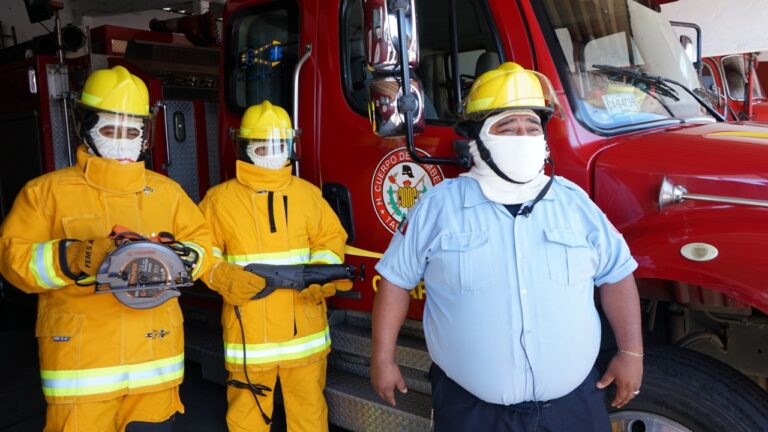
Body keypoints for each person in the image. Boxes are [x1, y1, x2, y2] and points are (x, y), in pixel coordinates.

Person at [370, 62, 643, 431]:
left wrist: (631, 352)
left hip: (572, 408)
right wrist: (382, 358)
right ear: (478, 140)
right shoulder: (438, 207)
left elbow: (617, 274)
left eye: (532, 128)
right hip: (472, 411)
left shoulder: (575, 204)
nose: (523, 137)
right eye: (507, 128)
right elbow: (396, 280)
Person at [0, 65, 215, 431]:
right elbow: (12, 261)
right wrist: (73, 257)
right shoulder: (45, 193)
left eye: (131, 130)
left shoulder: (167, 192)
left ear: (145, 134)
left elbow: (205, 245)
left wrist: (186, 257)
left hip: (155, 368)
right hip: (82, 374)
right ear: (86, 126)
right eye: (110, 129)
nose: (122, 139)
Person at [198, 100, 351, 432]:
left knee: (309, 418)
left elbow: (330, 240)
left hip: (304, 333)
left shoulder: (309, 195)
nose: (271, 152)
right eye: (262, 145)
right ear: (244, 147)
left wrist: (322, 273)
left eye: (278, 145)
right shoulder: (218, 200)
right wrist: (219, 274)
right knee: (247, 420)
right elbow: (200, 252)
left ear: (290, 147)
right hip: (249, 334)